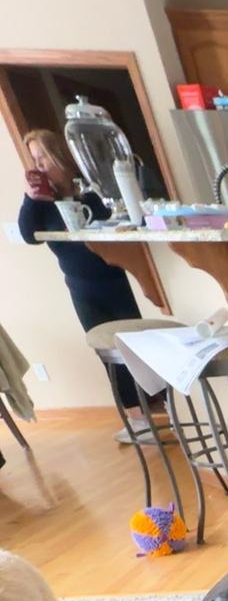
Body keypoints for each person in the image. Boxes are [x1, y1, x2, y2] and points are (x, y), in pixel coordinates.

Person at [18, 127, 149, 429]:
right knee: (108, 352)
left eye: (43, 157)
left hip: (118, 279)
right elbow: (28, 236)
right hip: (81, 287)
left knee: (138, 344)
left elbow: (120, 220)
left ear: (59, 155)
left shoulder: (91, 188)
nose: (39, 165)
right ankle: (137, 418)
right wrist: (31, 198)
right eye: (34, 159)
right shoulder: (40, 202)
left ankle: (165, 404)